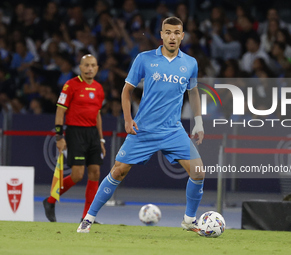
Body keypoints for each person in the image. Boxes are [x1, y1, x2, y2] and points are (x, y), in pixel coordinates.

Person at [77, 17, 205, 234]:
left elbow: (192, 92)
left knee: (199, 172)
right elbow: (126, 91)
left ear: (182, 36)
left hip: (173, 130)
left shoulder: (190, 63)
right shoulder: (144, 59)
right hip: (143, 129)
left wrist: (198, 122)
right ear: (161, 34)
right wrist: (128, 119)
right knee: (118, 172)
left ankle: (189, 221)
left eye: (176, 33)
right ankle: (88, 219)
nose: (172, 37)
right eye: (168, 32)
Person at [43, 54, 106, 223]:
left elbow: (98, 115)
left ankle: (87, 217)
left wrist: (101, 140)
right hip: (75, 132)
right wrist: (59, 136)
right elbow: (60, 111)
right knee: (77, 175)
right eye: (86, 65)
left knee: (95, 172)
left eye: (93, 65)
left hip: (92, 133)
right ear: (80, 67)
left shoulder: (99, 88)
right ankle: (50, 200)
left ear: (97, 68)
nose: (90, 68)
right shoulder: (70, 85)